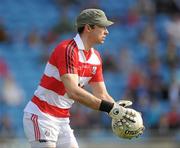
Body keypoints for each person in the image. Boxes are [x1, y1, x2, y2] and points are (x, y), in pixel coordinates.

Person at [23, 8, 140, 148]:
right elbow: (73, 91)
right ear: (88, 28)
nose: (107, 31)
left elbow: (102, 94)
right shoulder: (67, 49)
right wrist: (111, 109)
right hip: (41, 115)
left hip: (62, 120)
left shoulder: (96, 57)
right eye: (102, 27)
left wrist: (118, 111)